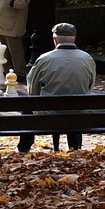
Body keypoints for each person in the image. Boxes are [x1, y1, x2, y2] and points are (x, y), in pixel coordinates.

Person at [17, 22, 96, 152]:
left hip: (49, 114)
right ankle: (74, 147)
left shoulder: (44, 59)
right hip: (78, 114)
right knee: (75, 106)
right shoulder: (88, 59)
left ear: (55, 39)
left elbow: (32, 91)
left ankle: (23, 148)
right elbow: (89, 87)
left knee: (27, 108)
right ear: (74, 38)